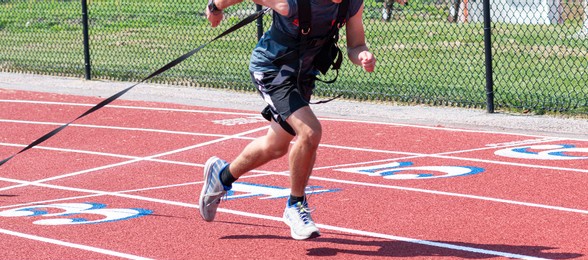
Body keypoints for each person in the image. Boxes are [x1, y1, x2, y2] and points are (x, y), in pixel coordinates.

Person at [199, 0, 377, 240]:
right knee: (310, 132)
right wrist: (215, 7)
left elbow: (356, 44)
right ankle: (295, 205)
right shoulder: (289, 2)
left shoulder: (352, 3)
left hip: (302, 75)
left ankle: (222, 176)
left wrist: (362, 56)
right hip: (272, 69)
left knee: (276, 145)